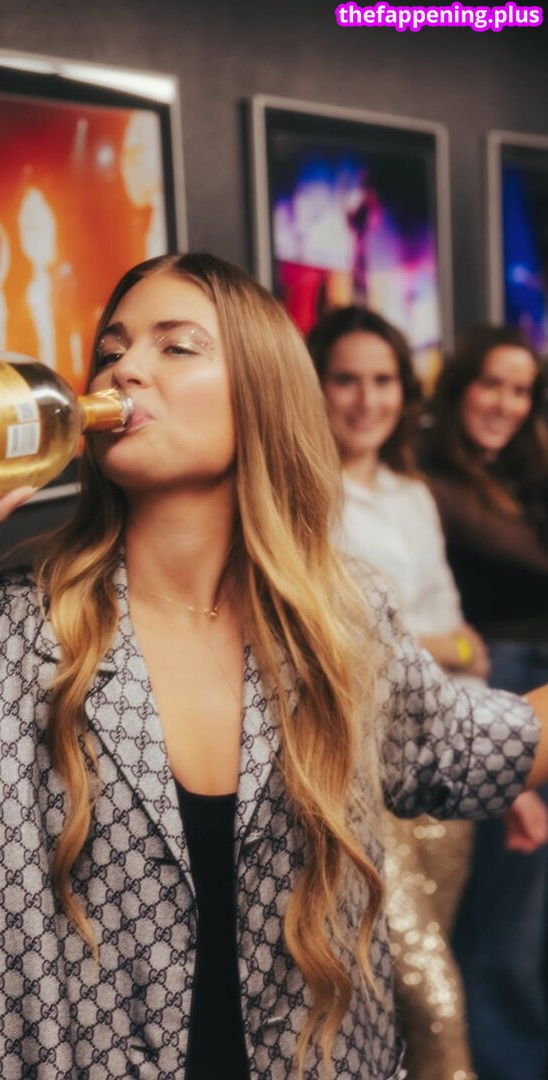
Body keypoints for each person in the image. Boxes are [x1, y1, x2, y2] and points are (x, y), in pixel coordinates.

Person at [0, 254, 547, 1080]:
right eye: (112, 349)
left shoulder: (340, 623)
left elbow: (475, 745)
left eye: (176, 346)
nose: (123, 369)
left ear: (263, 392)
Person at [308, 305, 491, 1080]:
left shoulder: (412, 493)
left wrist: (499, 772)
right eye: (345, 379)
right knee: (428, 999)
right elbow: (340, 639)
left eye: (383, 380)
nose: (366, 399)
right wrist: (445, 645)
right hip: (360, 781)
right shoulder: (303, 497)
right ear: (312, 386)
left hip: (444, 782)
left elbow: (459, 645)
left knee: (407, 995)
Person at [423, 325, 548, 1080]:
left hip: (527, 674)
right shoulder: (430, 480)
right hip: (494, 684)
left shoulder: (522, 474)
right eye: (490, 384)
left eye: (521, 390)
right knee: (506, 919)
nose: (505, 404)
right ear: (460, 386)